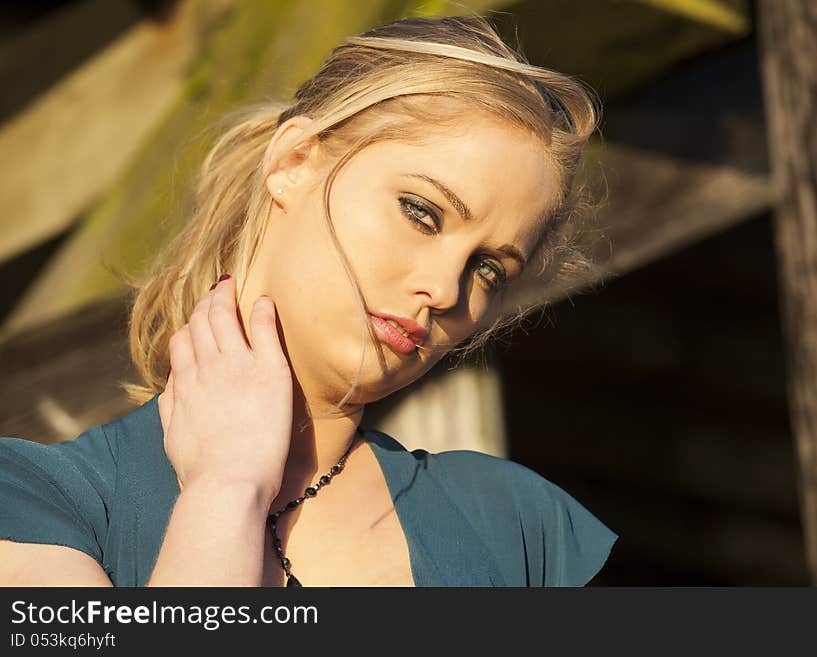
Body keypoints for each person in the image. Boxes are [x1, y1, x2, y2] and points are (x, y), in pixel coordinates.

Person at [0, 15, 616, 587]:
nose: (446, 290)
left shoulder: (519, 529)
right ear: (294, 161)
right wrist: (227, 488)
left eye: (488, 269)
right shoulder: (31, 501)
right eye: (421, 213)